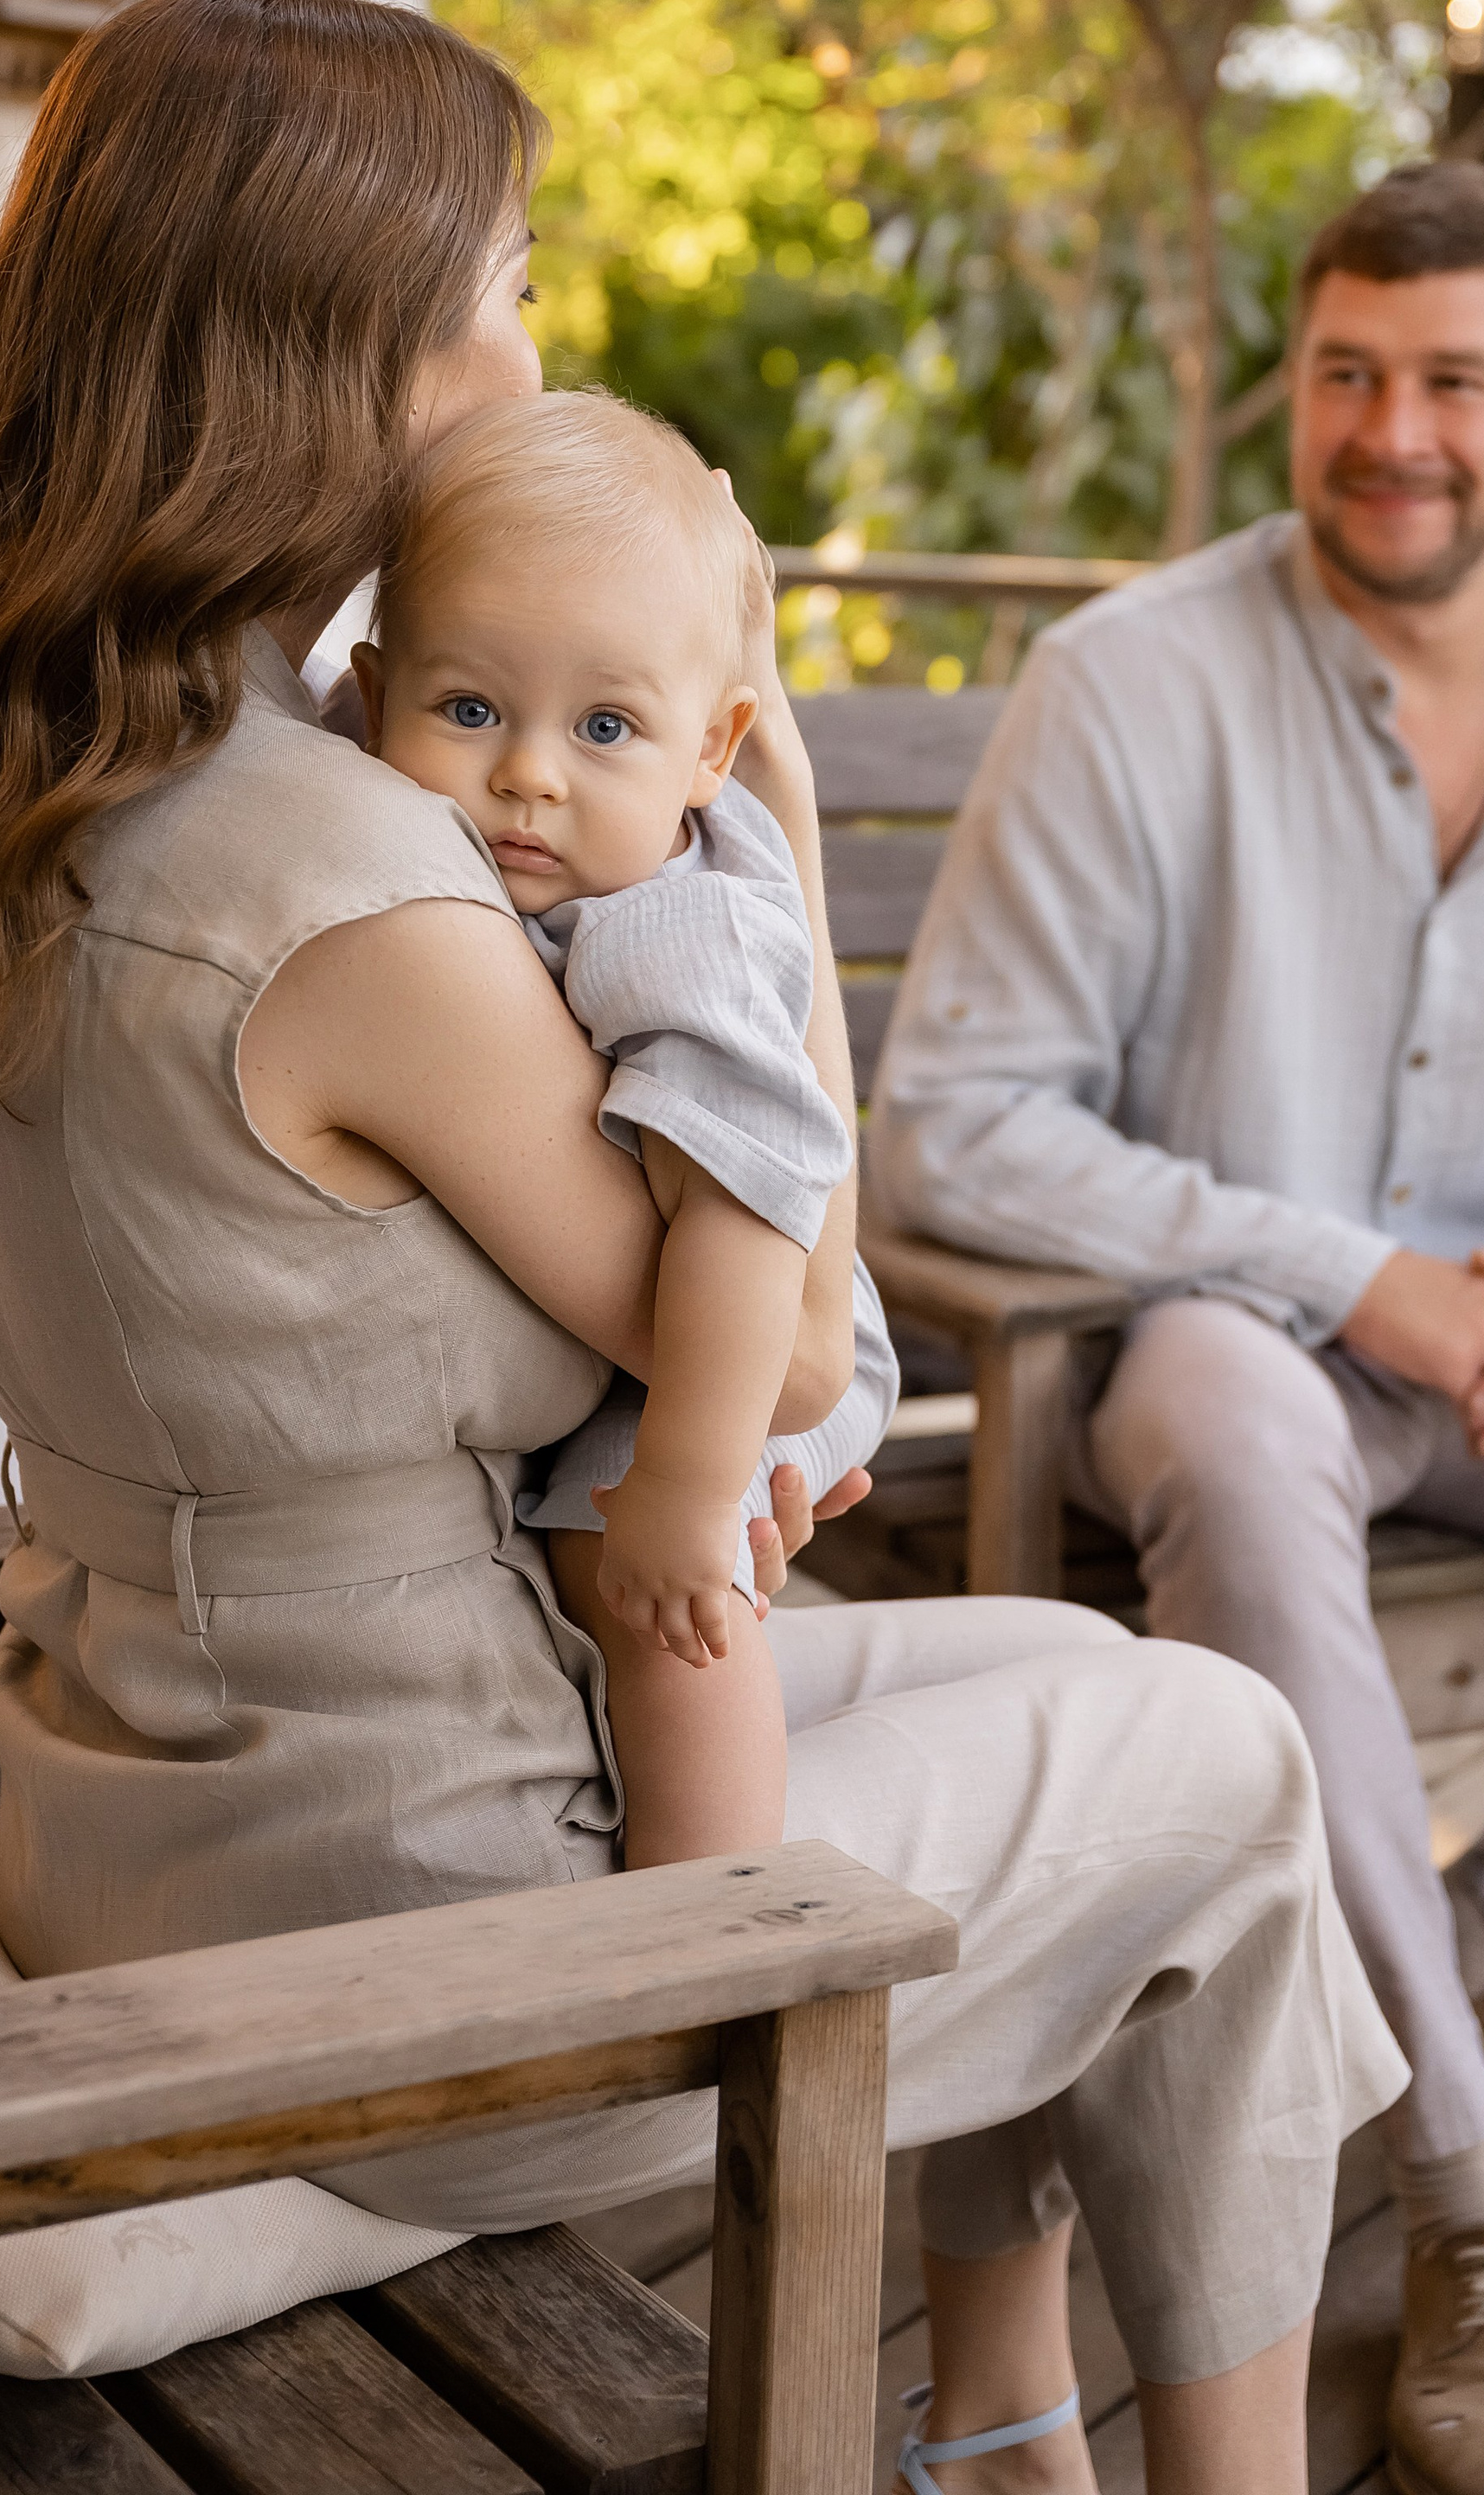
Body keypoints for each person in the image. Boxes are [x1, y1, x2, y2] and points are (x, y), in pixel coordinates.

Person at [0, 0, 1404, 2495]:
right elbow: (793, 1293)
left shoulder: (37, 765)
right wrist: (763, 812)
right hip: (410, 1949)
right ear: (353, 350)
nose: (534, 338)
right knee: (1226, 1765)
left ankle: (1003, 2425)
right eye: (507, 276)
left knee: (1068, 1675)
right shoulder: (338, 882)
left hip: (144, 1791)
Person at [871, 157, 1484, 2495]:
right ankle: (1478, 2207)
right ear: (1297, 384)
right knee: (1221, 1412)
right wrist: (1344, 1272)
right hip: (1239, 1340)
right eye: (1345, 373)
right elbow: (957, 1125)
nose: (1391, 430)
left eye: (1454, 382)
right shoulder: (1130, 683)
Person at [355, 383, 900, 1865]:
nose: (530, 772)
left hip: (752, 1316)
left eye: (606, 726)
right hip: (693, 1313)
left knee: (665, 1593)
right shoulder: (440, 866)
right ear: (368, 693)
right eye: (469, 710)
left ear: (711, 752)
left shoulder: (674, 925)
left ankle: (706, 1900)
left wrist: (688, 1478)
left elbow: (747, 1202)